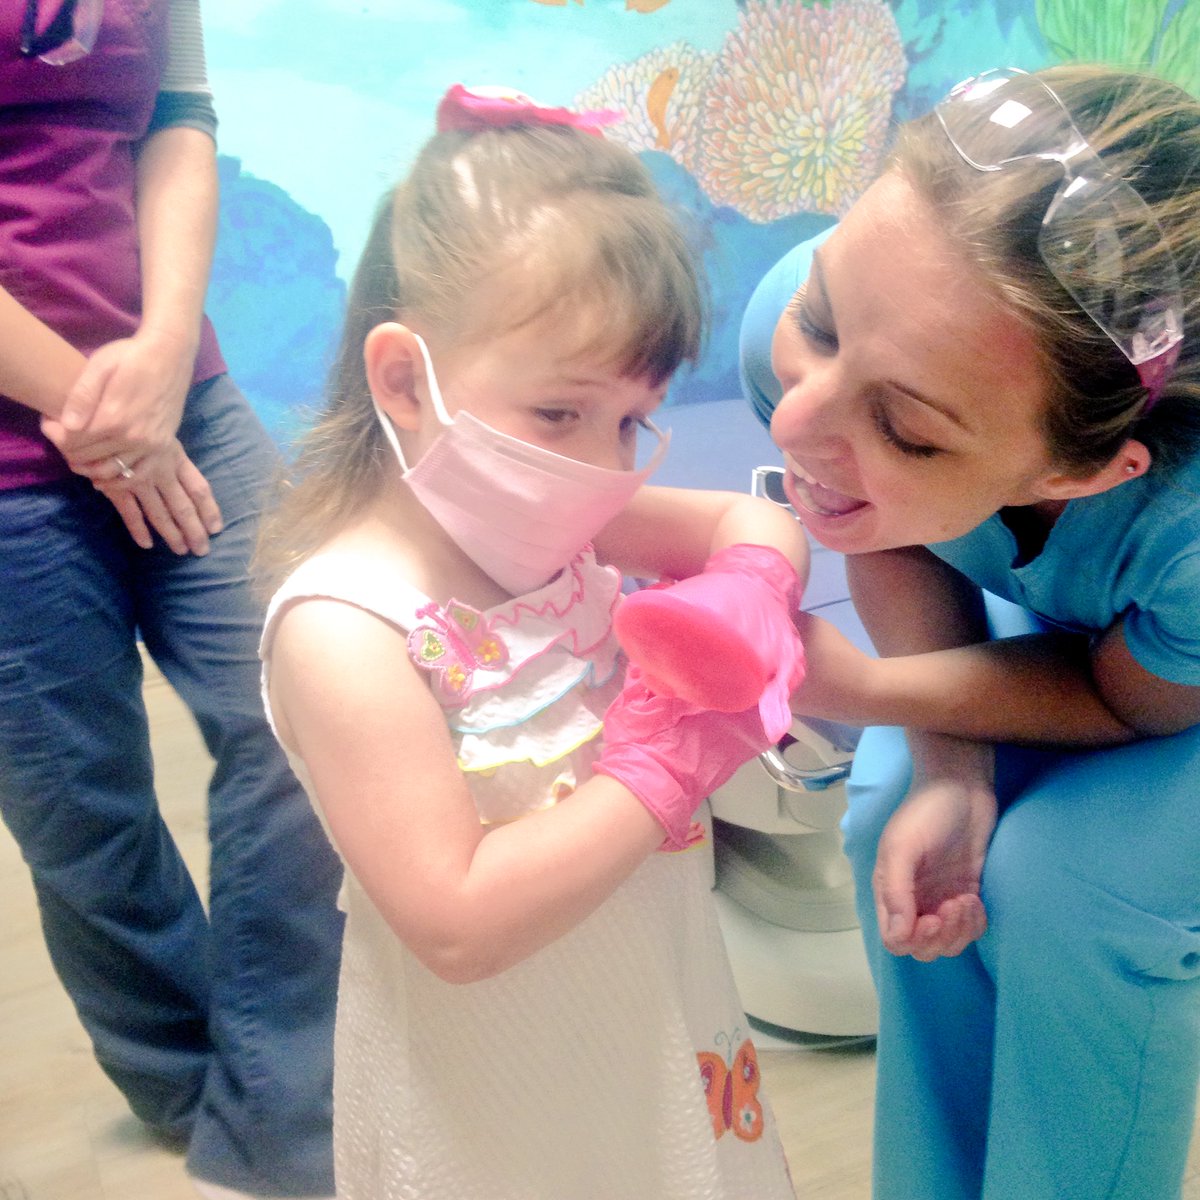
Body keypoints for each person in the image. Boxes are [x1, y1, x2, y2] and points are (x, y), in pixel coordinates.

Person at [255, 83, 808, 1200]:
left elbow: (761, 517)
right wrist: (665, 762)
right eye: (560, 415)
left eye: (632, 420)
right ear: (407, 379)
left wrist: (751, 586)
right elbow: (457, 925)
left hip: (651, 1014)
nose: (605, 465)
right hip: (494, 1090)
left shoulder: (564, 517)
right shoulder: (345, 628)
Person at [740, 63, 1200, 1200]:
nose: (799, 412)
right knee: (903, 823)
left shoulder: (1187, 534)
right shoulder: (806, 329)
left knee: (1072, 889)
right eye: (823, 325)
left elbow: (1117, 698)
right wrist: (947, 767)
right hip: (1098, 634)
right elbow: (885, 527)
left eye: (902, 425)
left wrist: (865, 690)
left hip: (1166, 667)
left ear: (1082, 473)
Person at [0, 4, 343, 1198]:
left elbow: (178, 119)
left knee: (313, 702)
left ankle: (285, 1107)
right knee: (81, 812)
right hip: (20, 451)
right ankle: (190, 1090)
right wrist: (108, 418)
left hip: (172, 386)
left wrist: (160, 352)